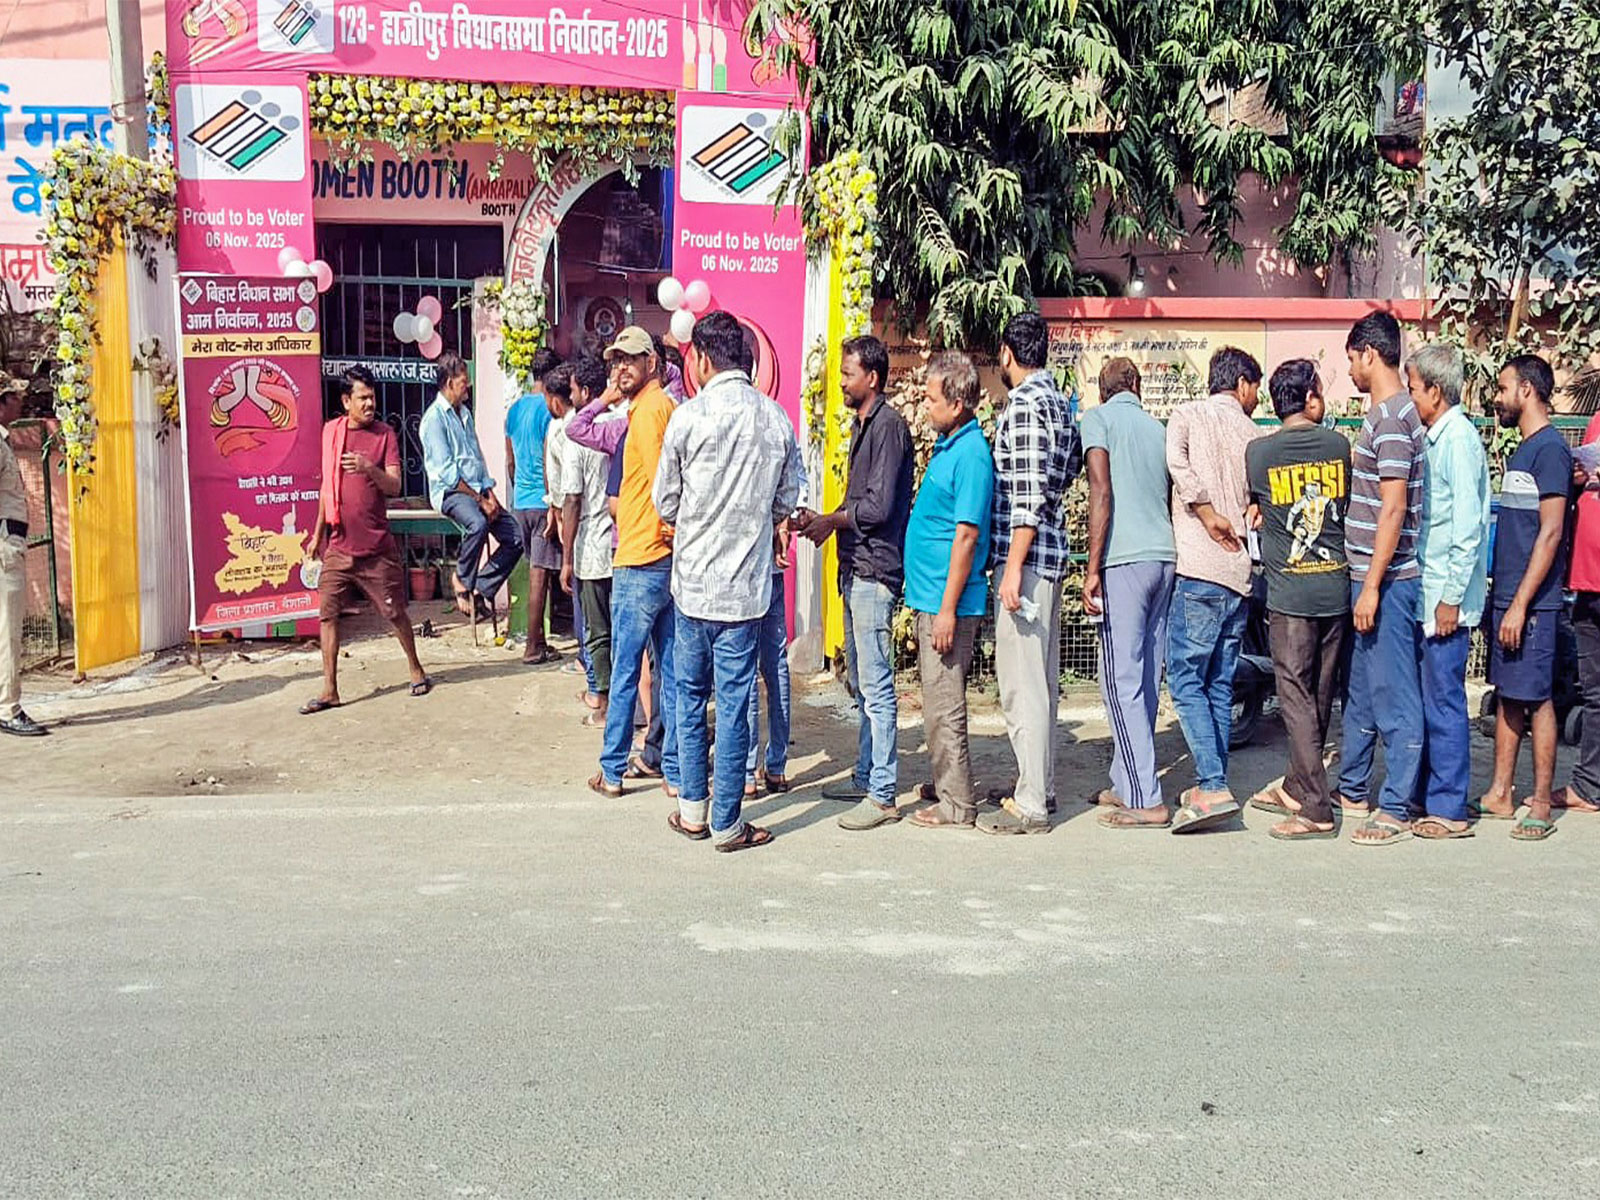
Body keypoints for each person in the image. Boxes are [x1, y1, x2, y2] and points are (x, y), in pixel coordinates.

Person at [655, 310, 801, 852]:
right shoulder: (776, 420)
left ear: (703, 359)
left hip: (692, 586)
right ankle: (726, 820)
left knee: (689, 698)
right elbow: (789, 499)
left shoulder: (687, 418)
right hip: (744, 592)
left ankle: (694, 810)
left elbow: (663, 500)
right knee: (735, 703)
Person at [799, 335, 914, 831]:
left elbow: (878, 507)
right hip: (857, 567)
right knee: (863, 685)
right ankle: (868, 776)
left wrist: (832, 520)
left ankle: (884, 792)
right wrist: (827, 521)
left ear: (872, 376)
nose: (841, 382)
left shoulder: (888, 427)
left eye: (847, 374)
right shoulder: (866, 425)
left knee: (878, 686)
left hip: (874, 570)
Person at [976, 313, 1081, 834]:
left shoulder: (1023, 404)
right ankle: (1039, 784)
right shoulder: (1059, 403)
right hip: (1050, 555)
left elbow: (1028, 494)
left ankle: (1032, 800)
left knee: (1023, 685)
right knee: (1042, 681)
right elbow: (1064, 474)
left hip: (1029, 562)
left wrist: (1012, 568)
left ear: (1007, 354)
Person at [1246, 359, 1352, 839]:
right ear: (1310, 397)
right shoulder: (1339, 446)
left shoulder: (1259, 453)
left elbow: (1258, 503)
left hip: (1289, 593)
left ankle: (1315, 807)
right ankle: (1297, 783)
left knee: (1294, 694)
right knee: (1320, 693)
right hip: (1335, 587)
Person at [1162, 346, 1265, 832]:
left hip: (1199, 568)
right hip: (1238, 573)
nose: (1257, 399)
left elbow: (1177, 467)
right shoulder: (1253, 433)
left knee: (1185, 681)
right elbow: (1261, 499)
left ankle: (1212, 783)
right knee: (1218, 685)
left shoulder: (1186, 414)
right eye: (1256, 389)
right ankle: (1214, 782)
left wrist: (1203, 511)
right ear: (1242, 384)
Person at [1338, 311, 1426, 846]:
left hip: (1387, 580)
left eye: (1351, 359)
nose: (1349, 370)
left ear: (1370, 354)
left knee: (1393, 692)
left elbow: (1393, 509)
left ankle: (1395, 805)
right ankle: (1352, 790)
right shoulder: (1387, 416)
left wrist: (1372, 583)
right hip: (1369, 576)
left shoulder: (1394, 418)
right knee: (1364, 692)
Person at [1478, 354, 1574, 841]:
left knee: (1537, 698)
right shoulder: (1525, 449)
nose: (1498, 395)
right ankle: (1499, 792)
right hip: (1509, 596)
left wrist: (1520, 603)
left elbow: (1552, 532)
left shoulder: (1551, 450)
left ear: (1528, 391)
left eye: (1503, 387)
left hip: (1532, 605)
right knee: (1508, 695)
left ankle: (1540, 800)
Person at [300, 366, 431, 713]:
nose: (370, 403)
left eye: (372, 397)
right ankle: (330, 689)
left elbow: (395, 486)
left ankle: (415, 668)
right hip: (338, 546)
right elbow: (326, 489)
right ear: (346, 401)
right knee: (327, 614)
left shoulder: (384, 435)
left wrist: (367, 468)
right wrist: (317, 536)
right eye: (363, 398)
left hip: (375, 547)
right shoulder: (331, 433)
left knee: (394, 612)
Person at [1081, 357, 1176, 828]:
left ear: (1103, 391)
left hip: (1124, 560)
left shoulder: (1097, 421)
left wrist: (1092, 566)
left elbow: (1102, 492)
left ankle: (1145, 796)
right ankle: (1127, 780)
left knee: (1119, 681)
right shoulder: (1157, 429)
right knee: (1144, 680)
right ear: (1136, 385)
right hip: (1165, 556)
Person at [588, 327, 681, 801]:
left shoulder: (649, 412)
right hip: (661, 557)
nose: (621, 368)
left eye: (630, 359)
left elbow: (666, 488)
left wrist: (664, 532)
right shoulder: (658, 408)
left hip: (643, 556)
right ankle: (673, 771)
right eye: (615, 361)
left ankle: (612, 770)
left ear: (651, 362)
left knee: (625, 671)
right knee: (669, 669)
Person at [903, 352, 994, 830]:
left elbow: (966, 536)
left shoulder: (972, 455)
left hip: (949, 603)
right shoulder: (951, 446)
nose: (926, 404)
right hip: (934, 597)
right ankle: (946, 785)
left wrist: (946, 610)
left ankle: (956, 804)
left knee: (943, 705)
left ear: (957, 403)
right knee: (937, 702)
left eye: (933, 398)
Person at [1406, 343, 1491, 839]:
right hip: (1430, 592)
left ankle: (1449, 806)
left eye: (1414, 389)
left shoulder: (1457, 440)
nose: (1412, 398)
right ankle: (1429, 795)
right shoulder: (1436, 437)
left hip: (1444, 597)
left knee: (1443, 703)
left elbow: (1466, 530)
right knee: (1426, 700)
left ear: (1435, 392)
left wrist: (1451, 598)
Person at [418, 353, 522, 617]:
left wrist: (490, 495)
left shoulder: (463, 413)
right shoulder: (434, 420)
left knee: (517, 537)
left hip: (477, 489)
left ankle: (481, 588)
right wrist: (480, 500)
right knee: (478, 523)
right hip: (452, 493)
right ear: (450, 382)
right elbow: (449, 474)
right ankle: (462, 579)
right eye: (464, 381)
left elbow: (477, 459)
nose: (468, 386)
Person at [556, 359, 620, 730]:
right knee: (624, 634)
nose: (572, 396)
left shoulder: (578, 436)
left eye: (575, 390)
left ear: (586, 393)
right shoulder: (622, 425)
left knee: (598, 633)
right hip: (623, 545)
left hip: (593, 550)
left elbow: (572, 500)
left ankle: (605, 703)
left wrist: (566, 559)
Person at [505, 348, 565, 665]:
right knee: (540, 575)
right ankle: (532, 645)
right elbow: (547, 458)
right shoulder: (549, 409)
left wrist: (520, 492)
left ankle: (539, 641)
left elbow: (510, 461)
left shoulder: (514, 410)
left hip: (521, 502)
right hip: (542, 501)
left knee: (537, 571)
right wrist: (552, 501)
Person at [1561, 400, 1600, 815]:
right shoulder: (1596, 422)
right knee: (1594, 693)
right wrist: (1577, 479)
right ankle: (1589, 787)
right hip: (1588, 580)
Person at [0, 383, 45, 737]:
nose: (21, 401)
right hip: (4, 544)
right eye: (14, 396)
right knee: (7, 630)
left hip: (7, 540)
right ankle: (8, 707)